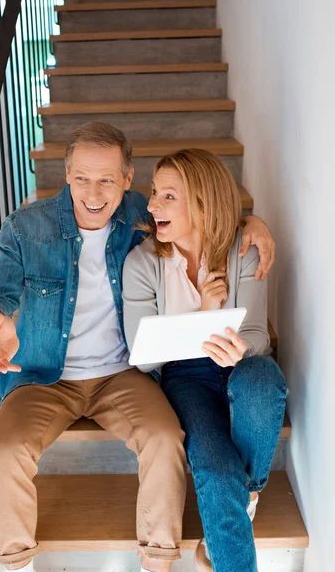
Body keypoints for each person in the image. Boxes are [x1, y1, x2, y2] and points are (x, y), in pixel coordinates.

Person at [0, 123, 276, 572]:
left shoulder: (142, 215)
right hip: (43, 375)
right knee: (3, 447)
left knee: (164, 437)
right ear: (67, 173)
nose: (93, 193)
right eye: (81, 179)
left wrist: (254, 223)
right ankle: (15, 563)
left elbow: (206, 211)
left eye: (107, 180)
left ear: (128, 179)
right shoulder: (26, 228)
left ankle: (159, 560)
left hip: (123, 374)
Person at [122, 148, 287, 572]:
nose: (152, 204)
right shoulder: (142, 263)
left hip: (241, 365)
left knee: (264, 379)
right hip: (185, 376)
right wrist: (202, 319)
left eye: (167, 196)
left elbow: (254, 336)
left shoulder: (244, 250)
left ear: (203, 202)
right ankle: (239, 501)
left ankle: (245, 492)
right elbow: (142, 355)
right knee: (214, 471)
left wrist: (239, 349)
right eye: (154, 193)